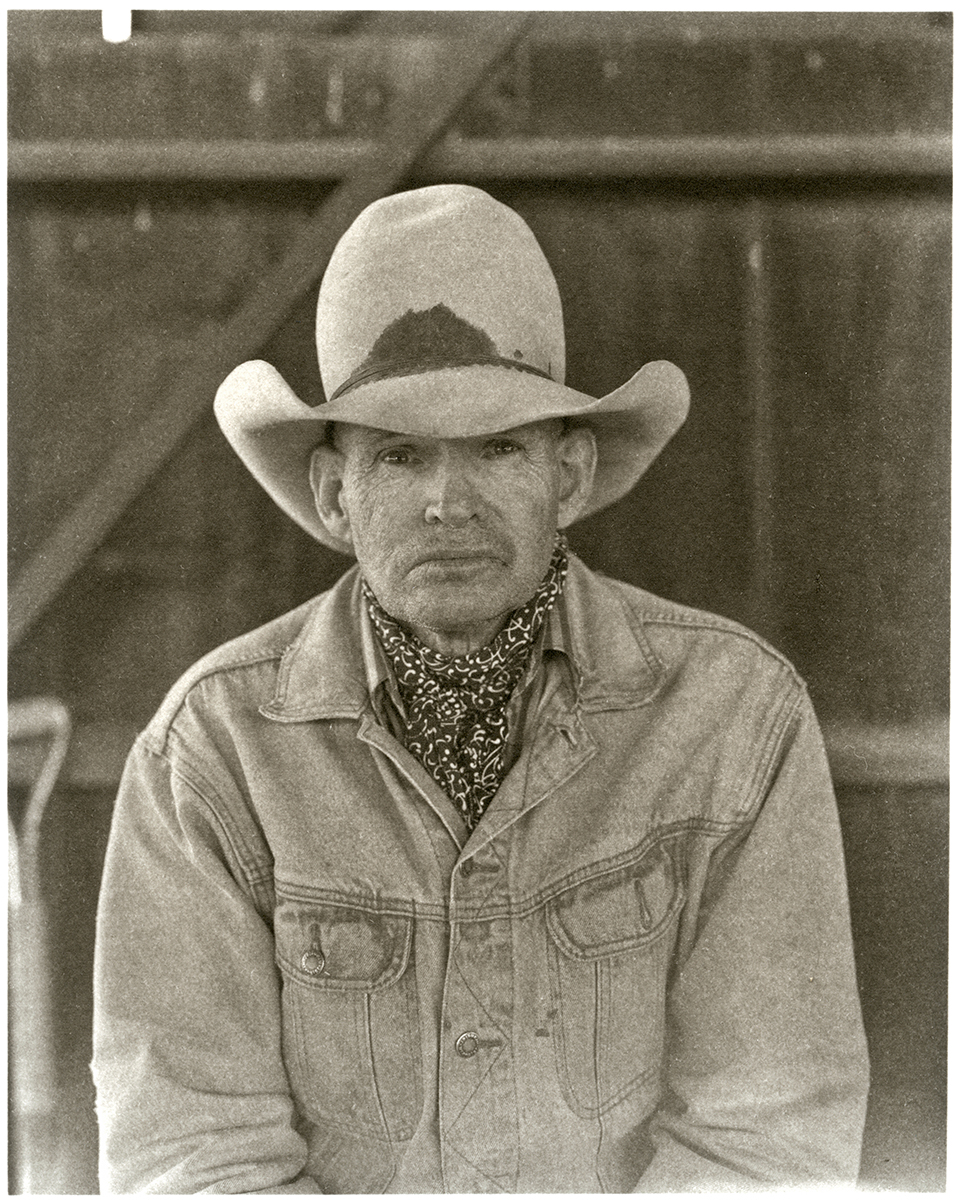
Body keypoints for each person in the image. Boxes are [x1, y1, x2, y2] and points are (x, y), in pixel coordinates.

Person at [92, 184, 869, 1194]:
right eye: (401, 455)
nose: (447, 502)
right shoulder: (213, 753)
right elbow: (190, 1153)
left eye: (499, 448)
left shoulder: (733, 721)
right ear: (336, 494)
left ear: (571, 476)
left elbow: (769, 1136)